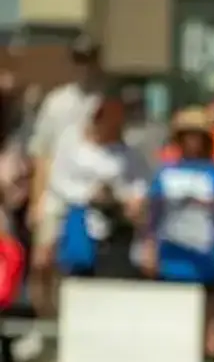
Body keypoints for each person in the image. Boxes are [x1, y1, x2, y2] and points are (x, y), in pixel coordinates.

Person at [142, 106, 214, 357]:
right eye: (187, 135)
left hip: (209, 255)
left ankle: (209, 354)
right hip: (173, 255)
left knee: (212, 306)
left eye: (197, 135)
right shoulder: (166, 172)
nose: (192, 141)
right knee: (173, 306)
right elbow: (152, 213)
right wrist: (149, 246)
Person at [25, 34, 106, 315]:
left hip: (90, 196)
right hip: (55, 193)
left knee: (77, 262)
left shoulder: (104, 100)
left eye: (90, 59)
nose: (85, 66)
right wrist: (37, 199)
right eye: (79, 59)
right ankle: (43, 321)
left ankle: (71, 322)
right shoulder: (56, 101)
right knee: (42, 260)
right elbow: (41, 153)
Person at [46, 96, 147, 279]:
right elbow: (58, 180)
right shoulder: (72, 146)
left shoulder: (129, 154)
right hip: (76, 216)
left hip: (115, 220)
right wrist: (89, 194)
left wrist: (129, 198)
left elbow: (140, 184)